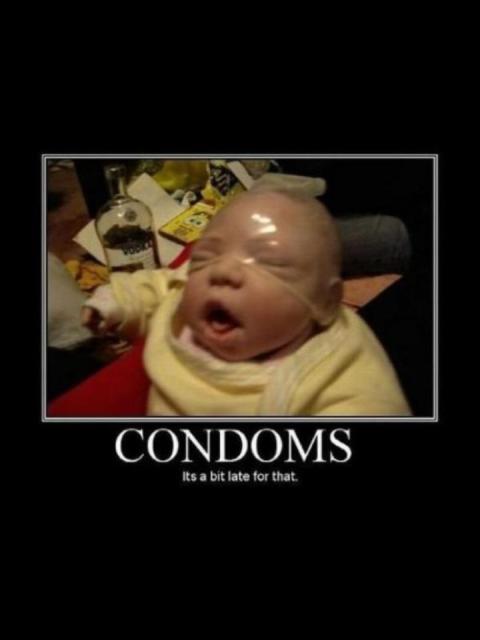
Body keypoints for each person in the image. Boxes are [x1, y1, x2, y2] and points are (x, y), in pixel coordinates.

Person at [82, 190, 411, 416]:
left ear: (324, 302)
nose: (223, 270)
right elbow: (156, 287)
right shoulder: (186, 290)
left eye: (268, 263)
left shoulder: (336, 366)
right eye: (207, 255)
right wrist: (116, 302)